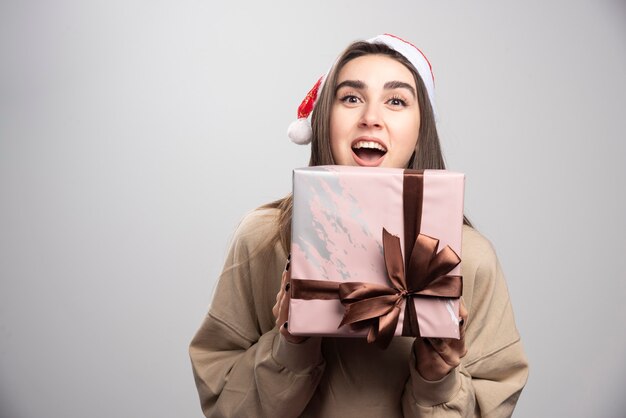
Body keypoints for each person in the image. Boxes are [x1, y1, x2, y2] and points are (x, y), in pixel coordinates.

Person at [189, 33, 529, 417]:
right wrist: (289, 346)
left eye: (396, 101)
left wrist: (437, 376)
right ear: (324, 120)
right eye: (351, 98)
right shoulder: (262, 239)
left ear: (421, 129)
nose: (371, 118)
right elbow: (223, 407)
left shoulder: (469, 257)